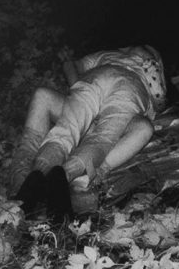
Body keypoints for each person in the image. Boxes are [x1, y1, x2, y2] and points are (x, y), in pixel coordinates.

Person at [9, 45, 167, 216]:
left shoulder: (114, 55)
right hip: (118, 86)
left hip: (103, 83)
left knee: (68, 130)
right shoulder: (129, 56)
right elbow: (160, 103)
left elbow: (160, 104)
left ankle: (41, 171)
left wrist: (80, 99)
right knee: (100, 137)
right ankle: (65, 174)